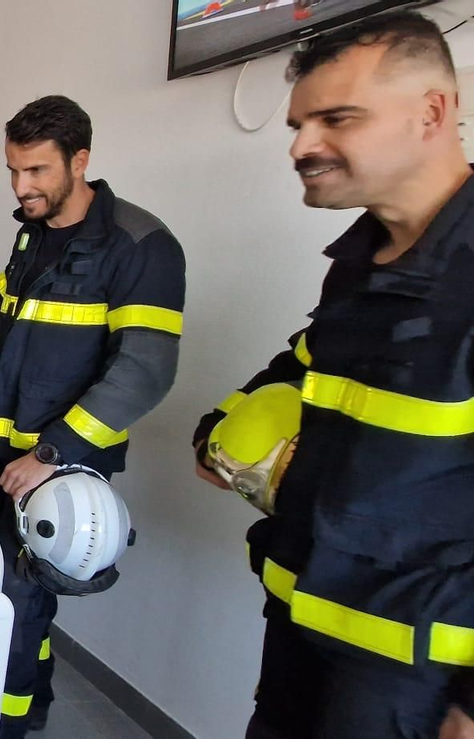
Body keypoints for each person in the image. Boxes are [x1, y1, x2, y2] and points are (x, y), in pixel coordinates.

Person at [189, 13, 472, 738]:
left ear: (434, 111)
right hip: (298, 627)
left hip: (408, 674)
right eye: (298, 124)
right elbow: (304, 365)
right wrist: (215, 434)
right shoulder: (358, 264)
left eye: (336, 119)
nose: (302, 147)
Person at [0, 95, 185, 738]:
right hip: (4, 449)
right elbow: (5, 323)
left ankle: (2, 724)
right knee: (19, 592)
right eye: (14, 170)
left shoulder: (140, 245)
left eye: (37, 171)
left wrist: (48, 456)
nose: (22, 186)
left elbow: (144, 371)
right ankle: (35, 700)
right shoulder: (30, 233)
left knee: (16, 601)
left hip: (60, 464)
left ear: (81, 161)